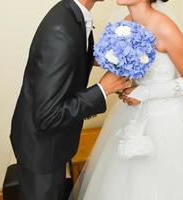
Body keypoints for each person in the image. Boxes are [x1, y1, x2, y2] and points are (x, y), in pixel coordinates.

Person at [69, 0, 183, 199]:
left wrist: (146, 93)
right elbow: (128, 67)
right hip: (134, 116)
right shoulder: (126, 23)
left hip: (170, 120)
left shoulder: (164, 26)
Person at [10, 0, 131, 199]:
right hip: (41, 151)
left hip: (49, 142)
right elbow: (48, 116)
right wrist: (103, 89)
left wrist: (104, 59)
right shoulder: (61, 31)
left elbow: (70, 57)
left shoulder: (72, 14)